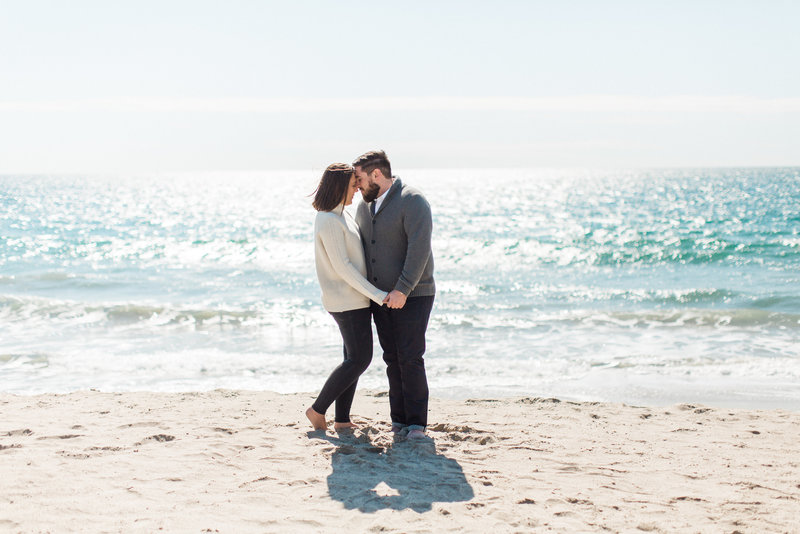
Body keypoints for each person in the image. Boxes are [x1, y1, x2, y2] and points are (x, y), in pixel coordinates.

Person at [353, 150, 435, 440]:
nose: (357, 186)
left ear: (377, 174)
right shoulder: (365, 207)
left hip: (414, 295)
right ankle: (398, 421)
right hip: (381, 298)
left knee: (410, 358)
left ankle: (416, 425)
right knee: (391, 359)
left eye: (360, 179)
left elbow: (419, 249)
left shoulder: (412, 201)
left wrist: (403, 287)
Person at [305, 163, 392, 431]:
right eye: (353, 184)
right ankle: (317, 409)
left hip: (355, 299)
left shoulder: (343, 215)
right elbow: (343, 267)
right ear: (340, 186)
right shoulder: (328, 220)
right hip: (345, 301)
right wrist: (377, 294)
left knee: (351, 359)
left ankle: (342, 419)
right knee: (359, 359)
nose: (357, 188)